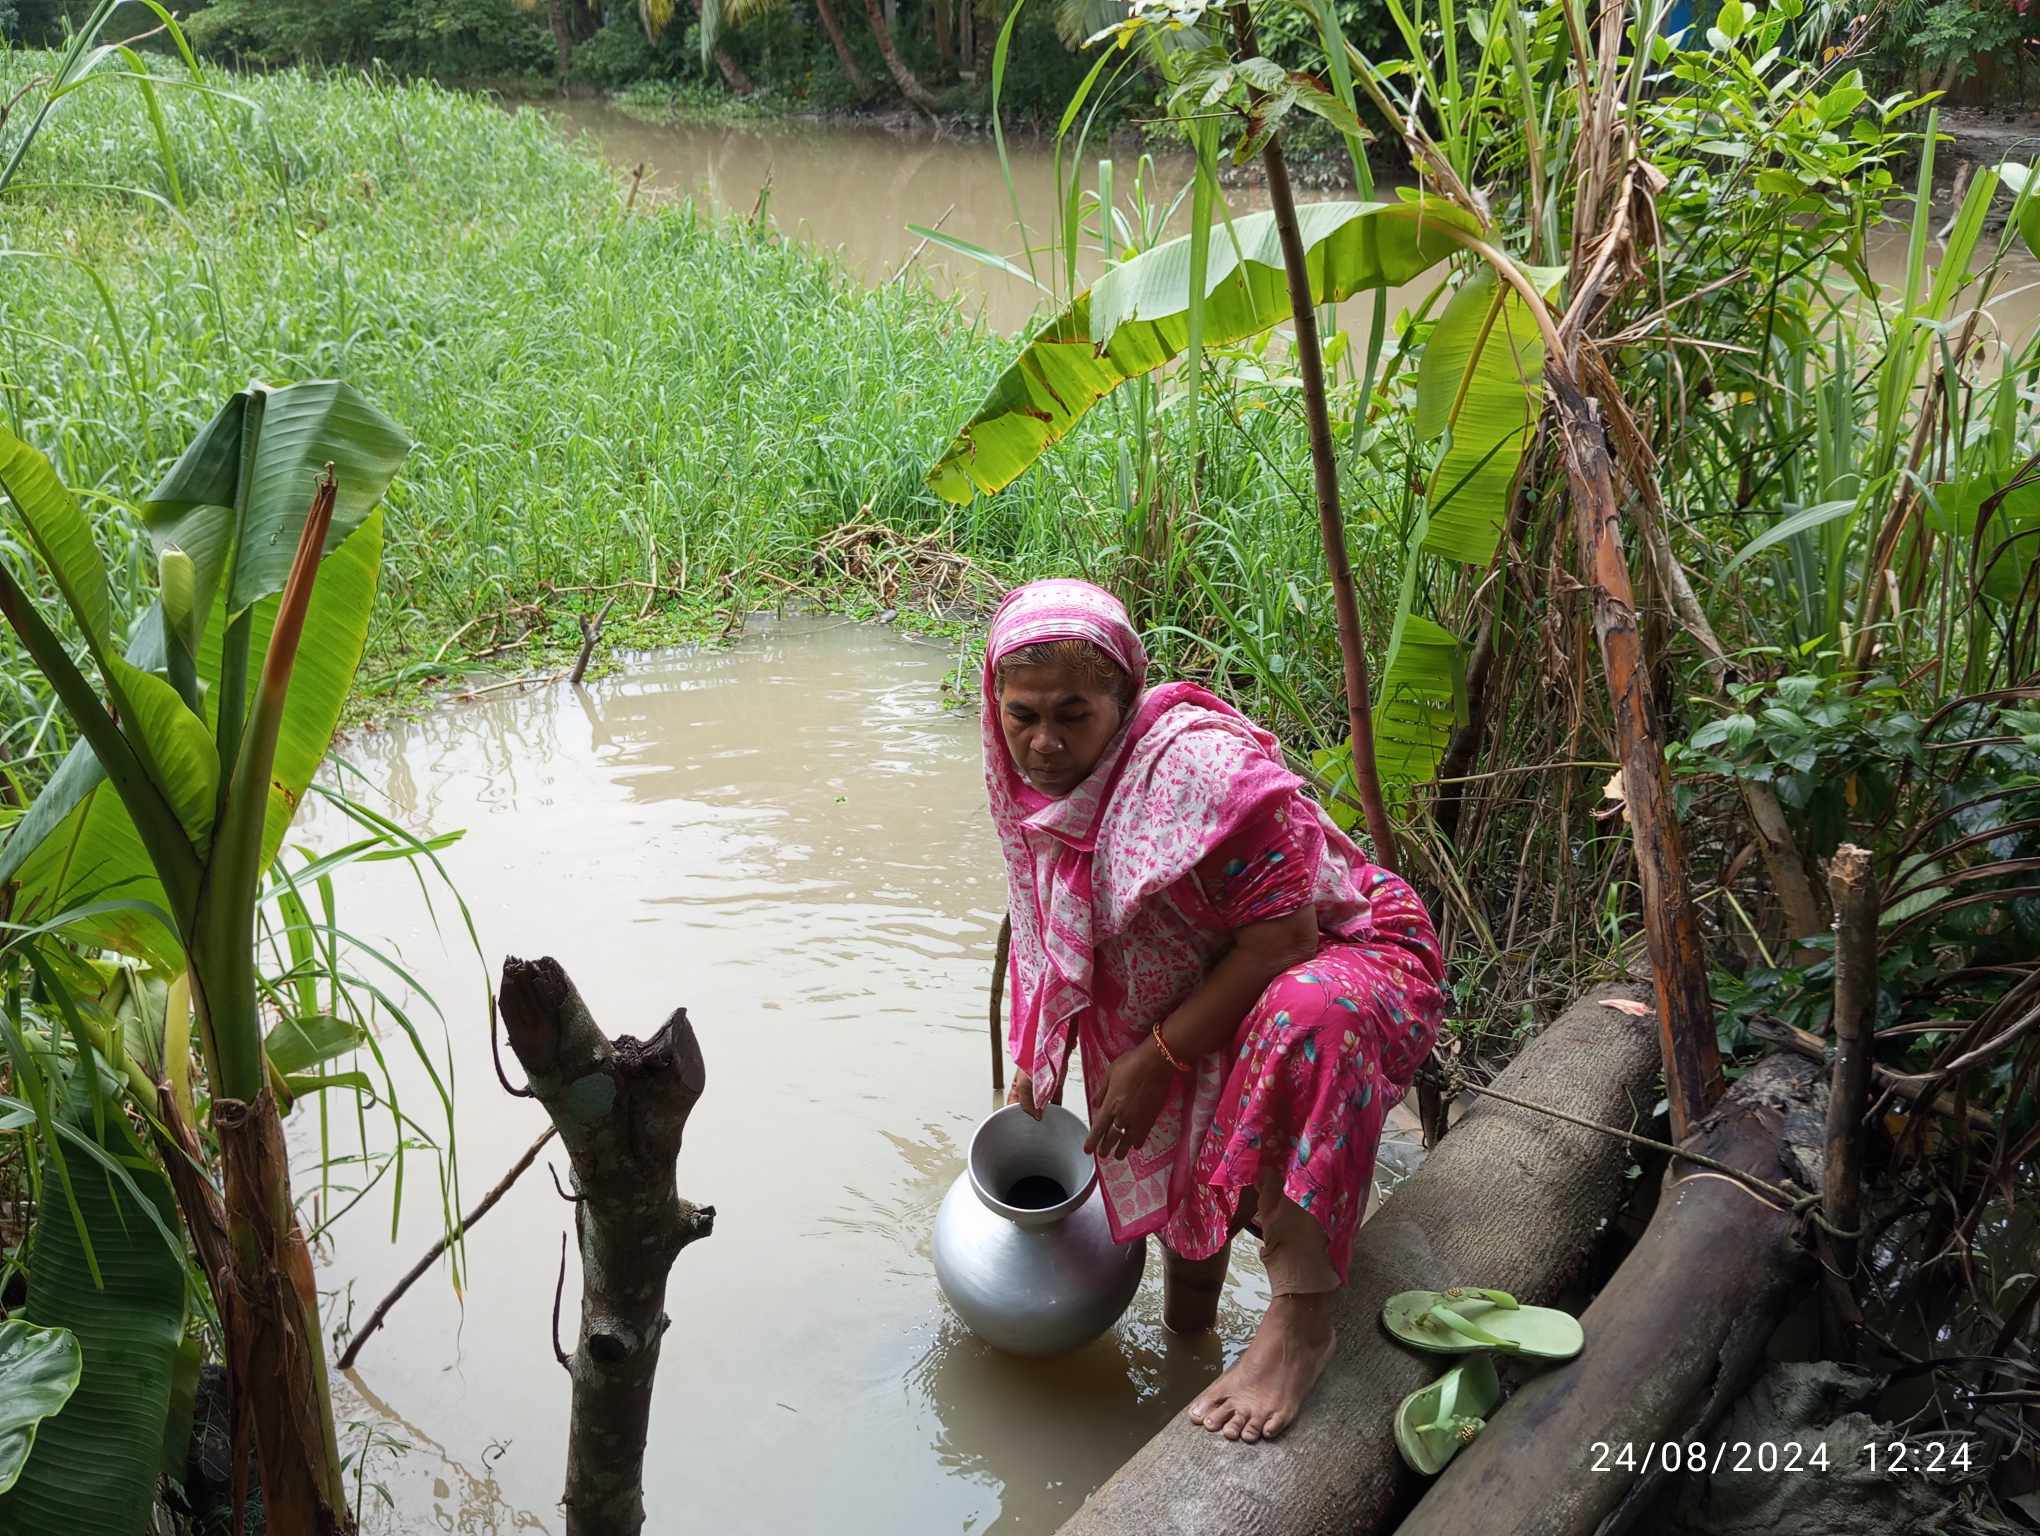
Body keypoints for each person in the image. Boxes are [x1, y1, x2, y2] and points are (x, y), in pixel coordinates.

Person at [982, 578, 1445, 1444]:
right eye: (1023, 715)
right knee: (1187, 1164)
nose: (1043, 743)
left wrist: (1158, 1054)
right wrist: (1035, 1057)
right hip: (1212, 979)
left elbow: (1289, 939)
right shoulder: (1043, 789)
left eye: (1073, 715)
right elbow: (1052, 922)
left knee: (1302, 1018)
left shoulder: (1195, 770)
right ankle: (1189, 1339)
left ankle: (1301, 1321)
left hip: (1347, 958)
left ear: (1123, 701)